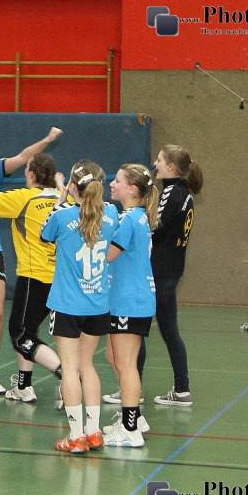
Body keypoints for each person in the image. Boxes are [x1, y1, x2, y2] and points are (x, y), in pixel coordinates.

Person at [0, 125, 64, 395]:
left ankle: (65, 373)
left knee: (21, 335)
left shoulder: (23, 198)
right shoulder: (62, 199)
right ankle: (24, 385)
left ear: (30, 175)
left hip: (35, 277)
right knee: (32, 330)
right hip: (61, 279)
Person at [41, 160, 118, 454]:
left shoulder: (62, 215)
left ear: (73, 186)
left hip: (67, 305)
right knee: (88, 365)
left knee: (70, 369)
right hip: (97, 304)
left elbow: (45, 235)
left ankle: (75, 436)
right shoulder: (111, 213)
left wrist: (62, 199)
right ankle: (94, 431)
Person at [103, 164, 158, 448]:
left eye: (118, 181)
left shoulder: (128, 220)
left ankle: (130, 428)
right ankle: (135, 415)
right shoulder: (137, 217)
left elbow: (108, 255)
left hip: (130, 301)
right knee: (113, 357)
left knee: (126, 364)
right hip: (127, 299)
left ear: (133, 189)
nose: (112, 184)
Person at [149, 145, 203, 407]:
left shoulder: (173, 193)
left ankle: (130, 391)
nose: (155, 163)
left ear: (171, 167)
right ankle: (182, 389)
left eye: (159, 160)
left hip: (160, 271)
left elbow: (155, 228)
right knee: (170, 331)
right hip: (171, 269)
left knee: (135, 331)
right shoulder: (184, 193)